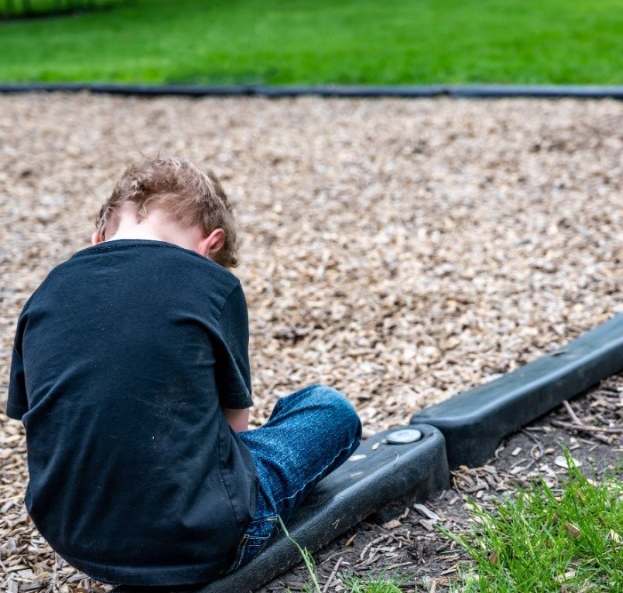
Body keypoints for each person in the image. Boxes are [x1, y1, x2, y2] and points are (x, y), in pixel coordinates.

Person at [6, 157, 362, 586]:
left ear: (97, 238)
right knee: (326, 408)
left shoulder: (46, 294)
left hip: (74, 538)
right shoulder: (210, 283)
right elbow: (235, 426)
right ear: (210, 244)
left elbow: (43, 422)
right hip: (200, 540)